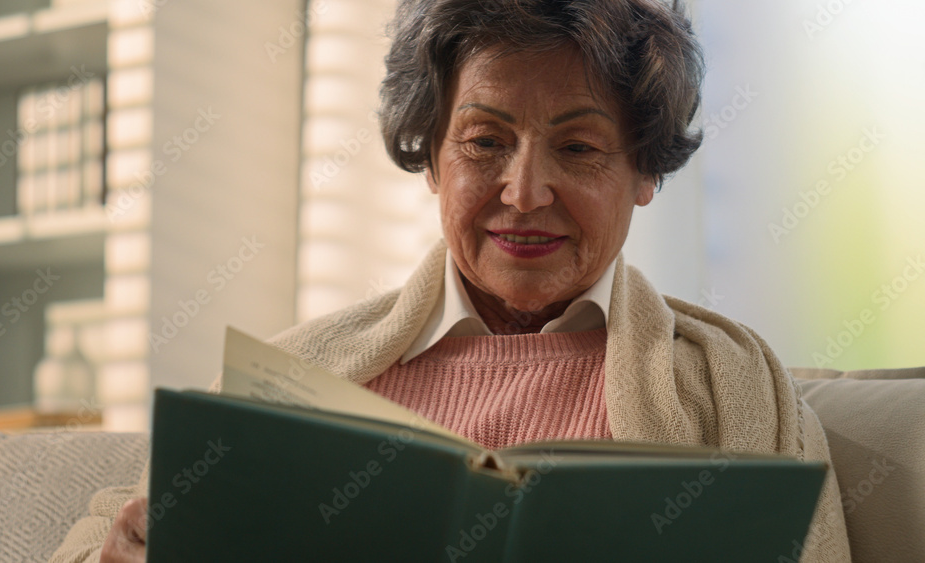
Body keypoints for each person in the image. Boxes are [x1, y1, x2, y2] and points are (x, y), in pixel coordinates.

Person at [51, 1, 851, 561]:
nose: (525, 191)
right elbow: (102, 533)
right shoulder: (285, 379)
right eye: (483, 141)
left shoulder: (735, 387)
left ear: (643, 170)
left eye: (577, 148)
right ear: (431, 158)